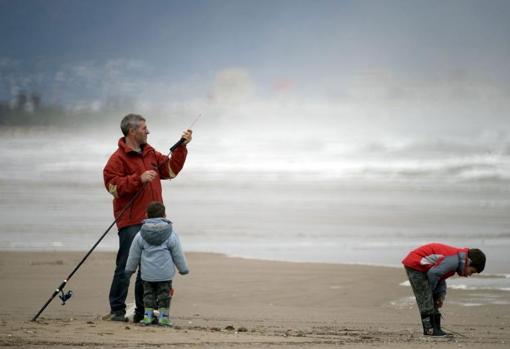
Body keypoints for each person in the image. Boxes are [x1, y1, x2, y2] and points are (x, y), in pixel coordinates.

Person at [103, 113, 192, 322]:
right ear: (132, 131)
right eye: (144, 128)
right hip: (131, 220)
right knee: (126, 266)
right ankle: (116, 310)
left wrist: (182, 147)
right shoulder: (117, 159)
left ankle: (142, 312)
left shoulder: (150, 153)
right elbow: (112, 187)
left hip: (154, 222)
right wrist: (138, 178)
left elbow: (170, 171)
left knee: (148, 269)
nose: (148, 131)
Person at [125, 202, 189, 326]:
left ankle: (148, 317)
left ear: (146, 215)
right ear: (164, 215)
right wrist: (183, 269)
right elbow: (177, 253)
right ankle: (163, 317)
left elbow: (134, 254)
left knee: (148, 295)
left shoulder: (140, 235)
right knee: (164, 295)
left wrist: (130, 269)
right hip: (165, 274)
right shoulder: (171, 234)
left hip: (147, 273)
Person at [402, 243, 486, 337]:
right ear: (468, 262)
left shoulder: (455, 262)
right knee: (425, 297)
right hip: (416, 264)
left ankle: (436, 328)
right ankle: (429, 330)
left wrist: (440, 295)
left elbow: (440, 278)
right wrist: (432, 292)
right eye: (471, 271)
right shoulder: (453, 261)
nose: (469, 275)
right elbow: (433, 274)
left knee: (432, 298)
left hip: (423, 267)